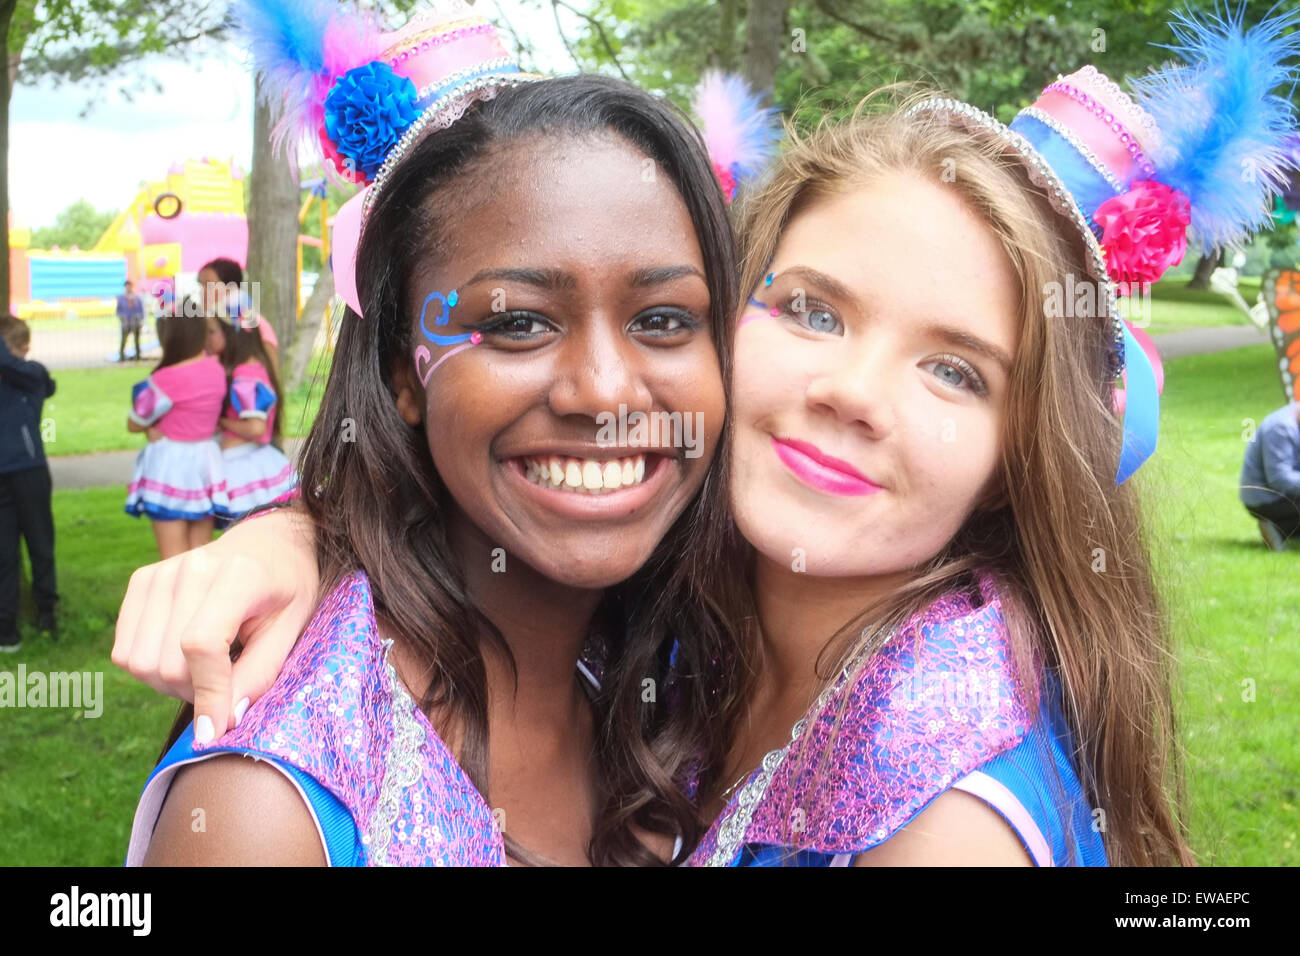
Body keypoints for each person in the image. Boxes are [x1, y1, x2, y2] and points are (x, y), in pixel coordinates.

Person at [119, 8, 1292, 869]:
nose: (852, 392)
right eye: (814, 309)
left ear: (1017, 451)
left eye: (954, 369)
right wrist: (303, 533)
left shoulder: (943, 801)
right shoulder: (654, 631)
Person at [121, 0, 739, 867]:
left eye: (665, 317)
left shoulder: (693, 663)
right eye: (519, 323)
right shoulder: (267, 811)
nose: (604, 390)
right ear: (405, 375)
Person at [124, 313, 229, 558]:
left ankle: (179, 598)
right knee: (200, 553)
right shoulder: (215, 369)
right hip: (206, 461)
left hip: (169, 465)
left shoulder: (164, 379)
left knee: (173, 558)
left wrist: (150, 428)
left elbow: (134, 422)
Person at [0, 316, 58, 651]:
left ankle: (47, 614)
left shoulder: (32, 373)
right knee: (5, 553)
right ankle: (7, 629)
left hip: (30, 471)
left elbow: (39, 379)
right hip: (3, 478)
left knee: (40, 545)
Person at [213, 319, 297, 524]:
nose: (208, 338)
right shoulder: (255, 368)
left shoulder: (245, 374)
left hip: (243, 467)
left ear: (231, 335)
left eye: (213, 331)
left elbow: (256, 428)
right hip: (251, 459)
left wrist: (221, 422)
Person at [197, 258, 279, 369]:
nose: (202, 292)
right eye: (201, 286)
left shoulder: (255, 325)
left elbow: (271, 372)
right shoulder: (203, 325)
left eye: (209, 285)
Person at [1239, 401, 1300, 550]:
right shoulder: (1280, 428)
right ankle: (1277, 527)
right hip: (1266, 499)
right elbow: (1279, 479)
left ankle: (1283, 529)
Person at [116, 280, 146, 362]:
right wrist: (122, 319)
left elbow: (141, 310)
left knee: (136, 340)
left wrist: (140, 319)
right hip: (126, 323)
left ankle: (138, 356)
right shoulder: (121, 298)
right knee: (124, 340)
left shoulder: (136, 298)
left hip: (135, 323)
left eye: (129, 286)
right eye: (127, 286)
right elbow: (118, 311)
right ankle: (121, 356)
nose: (128, 288)